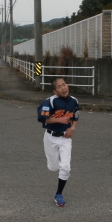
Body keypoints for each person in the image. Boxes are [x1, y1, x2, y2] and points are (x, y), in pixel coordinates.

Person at [37, 77, 79, 207]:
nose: (63, 88)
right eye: (59, 87)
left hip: (65, 138)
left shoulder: (74, 101)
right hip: (50, 137)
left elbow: (75, 116)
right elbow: (42, 118)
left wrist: (72, 128)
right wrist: (59, 120)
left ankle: (59, 194)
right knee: (53, 167)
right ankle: (53, 165)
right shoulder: (50, 101)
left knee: (65, 167)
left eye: (64, 84)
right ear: (55, 91)